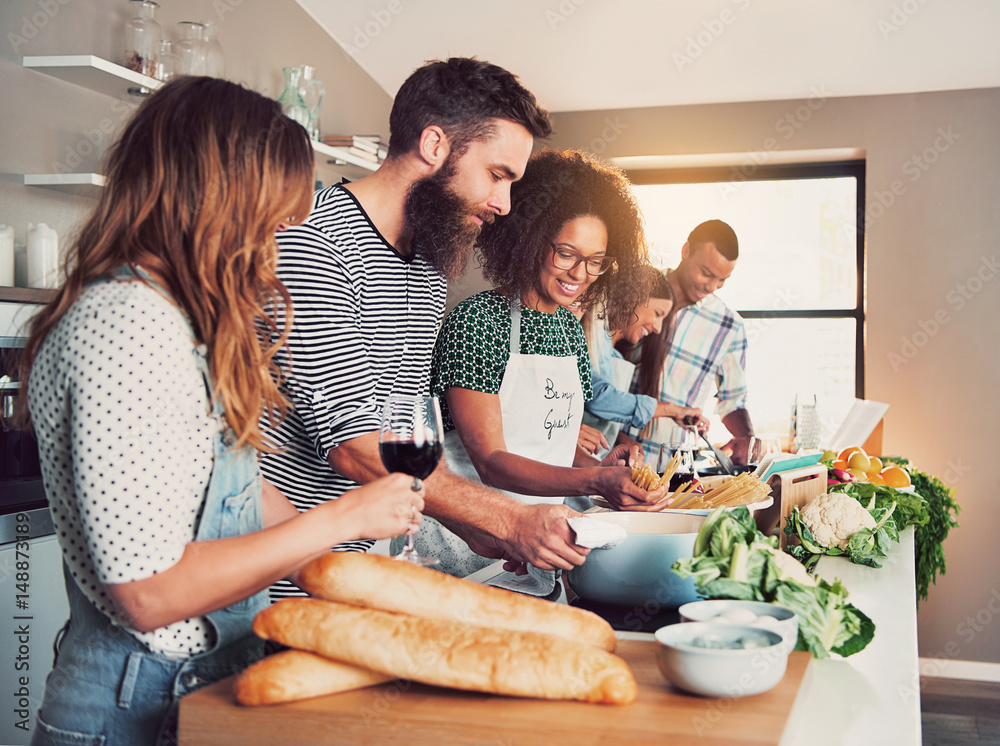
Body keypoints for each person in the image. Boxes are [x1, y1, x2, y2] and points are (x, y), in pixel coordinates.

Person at [16, 77, 423, 745]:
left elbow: (237, 486)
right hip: (131, 708)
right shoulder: (125, 325)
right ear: (216, 195)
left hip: (205, 686)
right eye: (278, 208)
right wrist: (341, 518)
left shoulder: (177, 321)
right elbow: (147, 594)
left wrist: (359, 585)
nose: (290, 227)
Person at [260, 57, 592, 594]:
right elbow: (359, 445)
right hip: (270, 581)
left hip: (352, 573)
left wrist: (472, 525)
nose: (504, 204)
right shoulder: (314, 245)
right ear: (435, 146)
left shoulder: (426, 269)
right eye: (497, 175)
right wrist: (507, 518)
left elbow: (404, 440)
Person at [425, 149, 666, 578]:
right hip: (469, 539)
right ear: (531, 241)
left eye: (596, 261)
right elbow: (492, 460)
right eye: (566, 253)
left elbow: (553, 443)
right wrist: (593, 482)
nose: (580, 273)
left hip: (542, 538)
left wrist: (608, 469)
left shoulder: (571, 333)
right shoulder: (479, 321)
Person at [622, 219, 756, 464]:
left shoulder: (729, 327)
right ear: (685, 251)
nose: (712, 286)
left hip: (670, 468)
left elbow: (733, 400)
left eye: (722, 280)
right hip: (607, 451)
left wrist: (747, 437)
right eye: (706, 273)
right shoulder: (636, 290)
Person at [580, 265, 708, 453]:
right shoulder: (593, 335)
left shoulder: (612, 351)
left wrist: (620, 440)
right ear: (632, 299)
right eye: (658, 314)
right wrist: (671, 410)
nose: (658, 328)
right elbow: (598, 398)